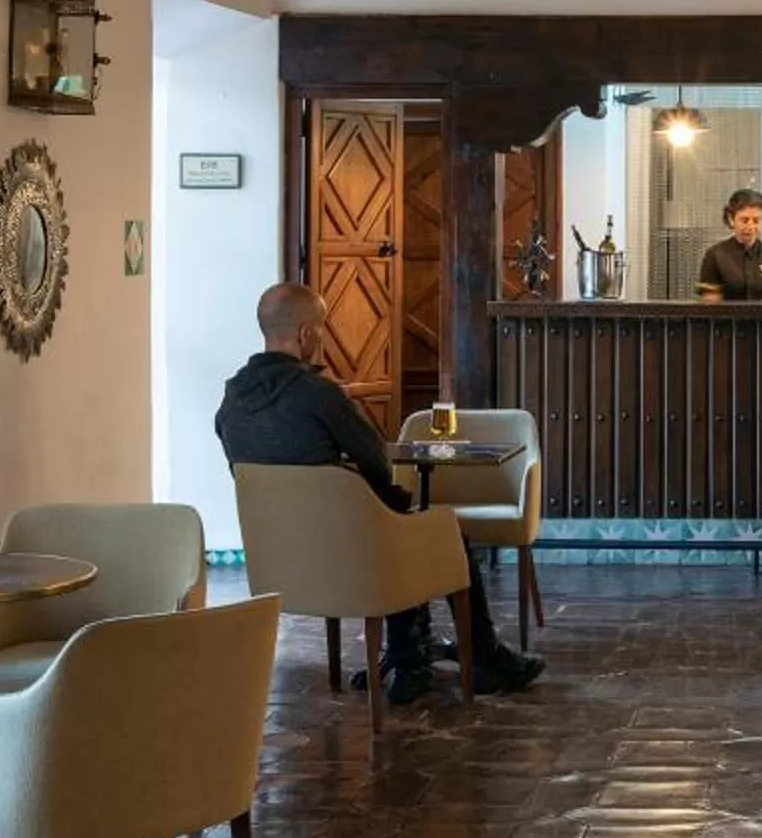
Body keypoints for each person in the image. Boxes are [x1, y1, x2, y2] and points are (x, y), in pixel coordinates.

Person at [215, 282, 544, 704]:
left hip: (283, 559)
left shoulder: (231, 402)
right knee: (436, 534)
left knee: (395, 525)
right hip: (352, 551)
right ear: (305, 335)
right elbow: (376, 459)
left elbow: (243, 474)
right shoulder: (318, 394)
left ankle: (410, 656)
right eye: (322, 327)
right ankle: (480, 658)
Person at [695, 188, 762, 302]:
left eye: (756, 220)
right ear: (731, 219)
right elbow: (711, 305)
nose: (750, 227)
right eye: (744, 220)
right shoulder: (715, 255)